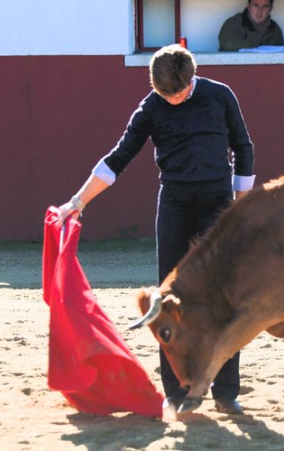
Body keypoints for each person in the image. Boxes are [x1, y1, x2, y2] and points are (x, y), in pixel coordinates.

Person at [56, 44, 254, 416]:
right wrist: (77, 202)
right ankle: (177, 391)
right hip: (176, 204)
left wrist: (241, 204)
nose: (173, 101)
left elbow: (243, 147)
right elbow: (118, 159)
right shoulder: (151, 107)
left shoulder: (219, 95)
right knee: (167, 300)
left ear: (192, 78)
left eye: (178, 93)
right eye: (166, 95)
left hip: (218, 203)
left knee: (225, 296)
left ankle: (226, 392)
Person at [218, 0, 284, 51]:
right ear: (248, 5)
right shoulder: (233, 23)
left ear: (270, 8)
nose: (259, 11)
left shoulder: (275, 29)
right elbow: (228, 44)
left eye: (265, 6)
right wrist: (257, 48)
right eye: (256, 5)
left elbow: (283, 55)